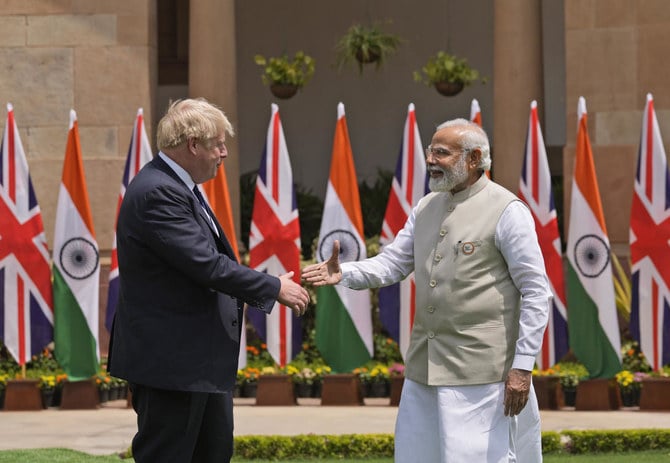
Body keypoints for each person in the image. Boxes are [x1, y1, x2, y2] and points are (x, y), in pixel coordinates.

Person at [302, 118, 551, 462]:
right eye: (429, 151)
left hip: (483, 373)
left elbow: (537, 291)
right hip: (424, 369)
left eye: (441, 152)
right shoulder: (425, 208)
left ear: (474, 158)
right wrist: (342, 272)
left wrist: (523, 366)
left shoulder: (507, 210)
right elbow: (392, 264)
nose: (430, 160)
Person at [108, 98, 310, 463]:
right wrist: (273, 287)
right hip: (172, 363)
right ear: (193, 145)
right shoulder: (159, 191)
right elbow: (206, 265)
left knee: (213, 453)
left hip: (196, 362)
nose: (224, 152)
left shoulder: (178, 186)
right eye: (218, 143)